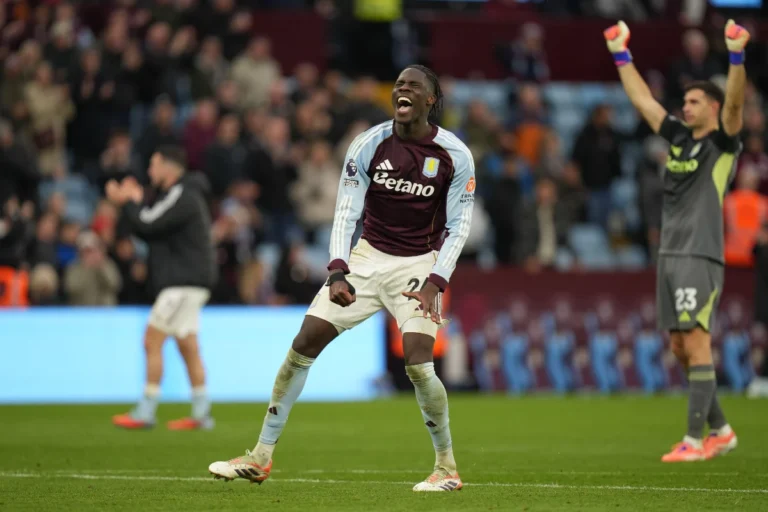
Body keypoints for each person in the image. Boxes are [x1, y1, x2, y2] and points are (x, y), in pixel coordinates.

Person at [208, 65, 476, 491]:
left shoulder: (454, 154)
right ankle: (260, 456)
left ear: (430, 99)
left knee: (419, 363)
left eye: (414, 86)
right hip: (367, 258)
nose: (403, 90)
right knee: (303, 343)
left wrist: (435, 282)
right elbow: (346, 212)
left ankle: (446, 468)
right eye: (399, 84)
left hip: (418, 265)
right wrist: (337, 270)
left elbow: (459, 227)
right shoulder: (369, 144)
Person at [604, 20, 749, 462]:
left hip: (698, 252)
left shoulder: (723, 143)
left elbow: (736, 104)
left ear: (713, 107)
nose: (685, 107)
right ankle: (721, 429)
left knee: (696, 339)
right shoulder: (680, 138)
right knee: (679, 346)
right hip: (669, 253)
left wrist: (736, 56)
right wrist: (620, 53)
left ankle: (693, 440)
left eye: (693, 101)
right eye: (684, 101)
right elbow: (643, 101)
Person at [106, 146, 217, 431]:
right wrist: (135, 202)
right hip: (191, 283)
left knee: (151, 340)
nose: (149, 171)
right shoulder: (179, 197)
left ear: (169, 167)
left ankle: (146, 411)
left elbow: (148, 224)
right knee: (188, 347)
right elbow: (153, 223)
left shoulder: (182, 194)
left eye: (153, 165)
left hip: (183, 284)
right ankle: (201, 413)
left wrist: (128, 202)